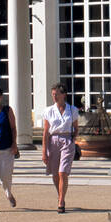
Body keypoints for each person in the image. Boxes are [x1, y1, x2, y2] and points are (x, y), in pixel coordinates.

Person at [42, 84, 80, 213]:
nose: (54, 96)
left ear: (64, 95)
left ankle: (61, 200)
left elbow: (76, 127)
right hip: (53, 142)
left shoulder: (73, 109)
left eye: (57, 93)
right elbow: (46, 132)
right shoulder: (48, 110)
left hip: (67, 141)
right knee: (55, 173)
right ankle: (60, 194)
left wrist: (72, 139)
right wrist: (44, 152)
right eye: (53, 94)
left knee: (62, 172)